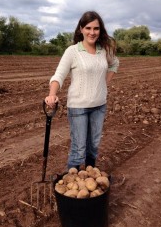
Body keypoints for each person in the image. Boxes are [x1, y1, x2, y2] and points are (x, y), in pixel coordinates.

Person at [45, 11, 119, 170]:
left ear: (101, 30)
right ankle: (71, 184)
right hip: (79, 107)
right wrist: (52, 94)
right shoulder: (73, 51)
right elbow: (59, 75)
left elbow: (114, 63)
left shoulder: (104, 50)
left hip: (99, 106)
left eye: (96, 28)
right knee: (79, 148)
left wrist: (104, 82)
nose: (92, 32)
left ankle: (89, 175)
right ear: (81, 29)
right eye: (88, 28)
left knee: (93, 146)